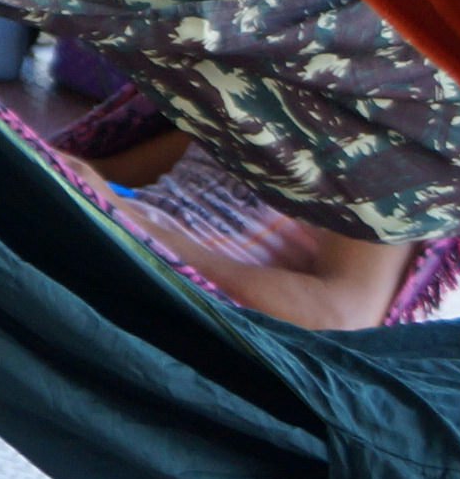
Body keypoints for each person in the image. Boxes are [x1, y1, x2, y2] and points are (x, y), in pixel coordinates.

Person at [59, 128, 428, 331]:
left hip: (177, 304)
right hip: (105, 241)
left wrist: (131, 222)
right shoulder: (253, 94)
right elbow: (108, 175)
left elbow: (339, 315)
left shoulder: (395, 162)